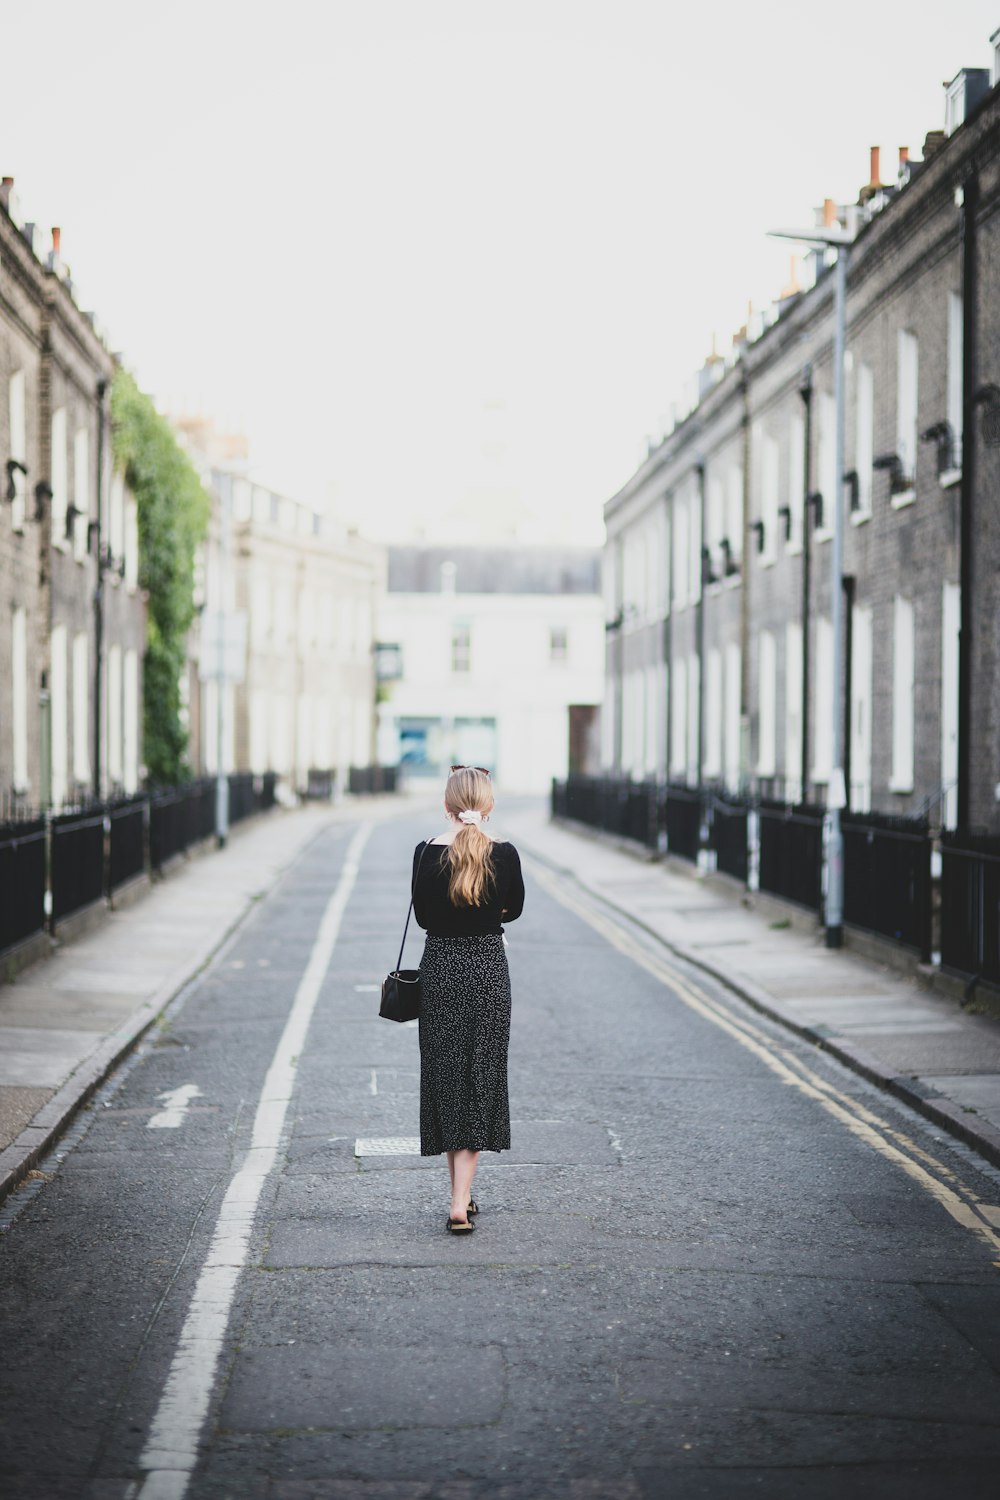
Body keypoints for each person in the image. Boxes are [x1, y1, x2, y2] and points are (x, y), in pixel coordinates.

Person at [411, 765, 525, 1234]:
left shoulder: (424, 854)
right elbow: (512, 910)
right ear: (489, 805)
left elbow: (422, 916)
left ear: (446, 805)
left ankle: (460, 1195)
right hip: (486, 971)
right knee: (480, 1073)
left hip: (440, 969)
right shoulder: (505, 854)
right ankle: (461, 1200)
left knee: (447, 1074)